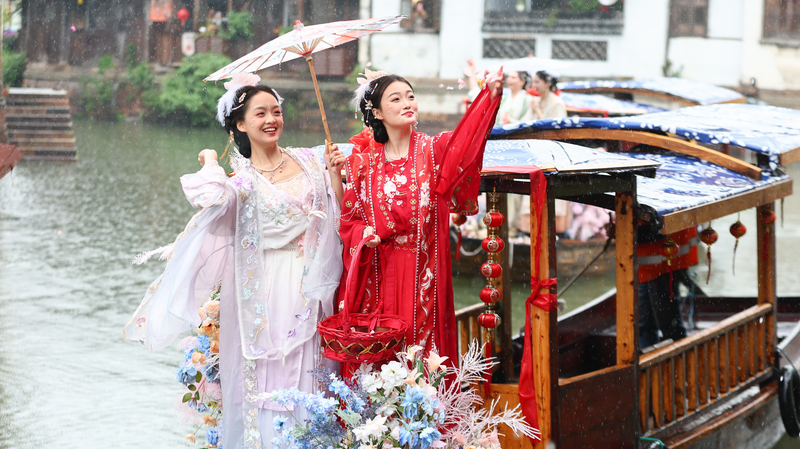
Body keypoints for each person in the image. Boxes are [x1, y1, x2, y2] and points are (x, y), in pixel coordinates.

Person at [124, 74, 346, 447]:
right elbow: (208, 195)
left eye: (276, 111)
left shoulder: (310, 159)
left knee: (313, 366)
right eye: (260, 113)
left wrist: (335, 175)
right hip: (268, 284)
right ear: (240, 124)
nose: (271, 119)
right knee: (271, 372)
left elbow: (337, 210)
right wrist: (211, 158)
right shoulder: (240, 184)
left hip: (316, 280)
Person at [338, 70, 503, 375]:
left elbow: (466, 142)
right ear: (376, 112)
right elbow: (349, 219)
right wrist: (365, 234)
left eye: (411, 96)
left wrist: (488, 98)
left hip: (423, 272)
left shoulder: (433, 151)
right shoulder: (362, 161)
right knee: (380, 359)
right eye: (396, 98)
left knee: (422, 358)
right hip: (377, 274)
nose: (407, 103)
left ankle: (423, 419)